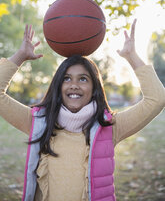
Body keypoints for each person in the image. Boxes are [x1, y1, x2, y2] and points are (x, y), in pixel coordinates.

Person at [0, 19, 164, 201]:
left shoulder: (110, 127)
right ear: (58, 85)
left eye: (83, 79)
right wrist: (20, 56)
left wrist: (132, 56)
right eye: (67, 78)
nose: (74, 85)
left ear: (94, 89)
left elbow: (156, 99)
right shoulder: (38, 122)